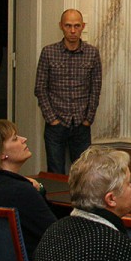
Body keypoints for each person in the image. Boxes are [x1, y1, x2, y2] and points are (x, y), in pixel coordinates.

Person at [0, 120, 56, 257]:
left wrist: (37, 188)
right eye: (15, 138)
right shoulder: (19, 191)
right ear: (0, 154)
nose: (24, 139)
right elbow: (57, 236)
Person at [34, 9, 102, 174]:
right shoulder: (49, 52)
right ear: (61, 26)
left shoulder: (92, 53)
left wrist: (88, 119)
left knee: (83, 173)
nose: (72, 31)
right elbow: (40, 88)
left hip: (81, 123)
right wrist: (52, 119)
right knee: (55, 171)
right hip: (56, 123)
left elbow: (95, 88)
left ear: (82, 26)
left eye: (77, 26)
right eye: (68, 26)